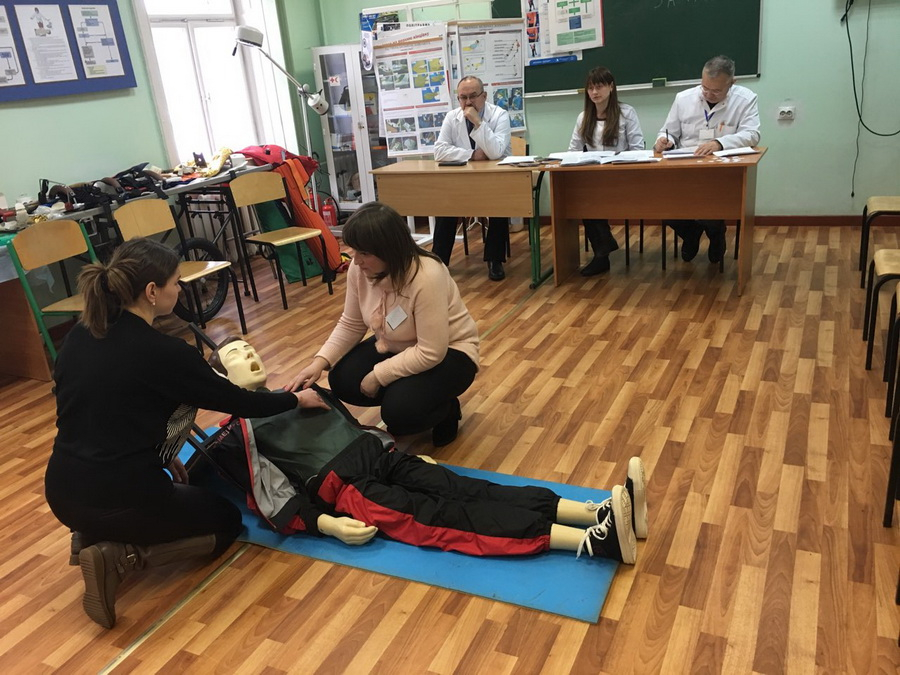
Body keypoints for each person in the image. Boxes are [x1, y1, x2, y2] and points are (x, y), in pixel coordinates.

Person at [46, 238, 327, 629]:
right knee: (226, 521)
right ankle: (122, 555)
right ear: (152, 291)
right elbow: (240, 401)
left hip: (61, 492)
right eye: (176, 282)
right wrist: (295, 399)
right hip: (121, 496)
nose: (180, 290)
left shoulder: (79, 335)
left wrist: (158, 455)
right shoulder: (165, 353)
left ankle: (90, 534)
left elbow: (100, 413)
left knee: (143, 491)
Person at [210, 336, 650, 564]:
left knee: (468, 488)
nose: (250, 355)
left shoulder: (299, 391)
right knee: (445, 517)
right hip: (350, 488)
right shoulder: (236, 434)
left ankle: (596, 511)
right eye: (236, 355)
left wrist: (390, 448)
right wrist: (326, 524)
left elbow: (350, 428)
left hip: (380, 457)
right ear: (220, 376)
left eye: (249, 347)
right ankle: (594, 543)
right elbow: (271, 498)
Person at [290, 201, 479, 448]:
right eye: (354, 251)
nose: (356, 260)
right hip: (396, 344)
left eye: (364, 253)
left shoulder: (427, 275)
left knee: (399, 414)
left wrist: (379, 375)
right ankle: (411, 395)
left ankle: (446, 409)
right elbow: (351, 323)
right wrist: (319, 362)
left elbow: (431, 351)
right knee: (342, 380)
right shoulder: (359, 269)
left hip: (449, 353)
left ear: (389, 250)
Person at [652, 55, 761, 264]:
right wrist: (664, 141)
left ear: (732, 83)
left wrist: (720, 143)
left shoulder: (745, 99)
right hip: (685, 168)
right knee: (665, 207)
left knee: (710, 209)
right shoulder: (683, 98)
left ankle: (716, 234)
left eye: (716, 91)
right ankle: (691, 234)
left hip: (720, 171)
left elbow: (752, 134)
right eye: (705, 88)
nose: (709, 94)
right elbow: (669, 131)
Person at [433, 75, 512, 281]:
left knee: (501, 205)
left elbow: (495, 152)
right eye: (463, 97)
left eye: (473, 96)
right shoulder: (452, 117)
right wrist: (472, 154)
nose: (468, 102)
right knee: (445, 204)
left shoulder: (499, 115)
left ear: (484, 96)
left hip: (495, 181)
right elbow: (439, 151)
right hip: (463, 182)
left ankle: (495, 260)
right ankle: (438, 262)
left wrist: (478, 122)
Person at [568, 66, 645, 276]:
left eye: (599, 87)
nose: (594, 92)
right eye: (590, 88)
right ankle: (602, 254)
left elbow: (638, 148)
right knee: (583, 200)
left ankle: (603, 250)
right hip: (594, 178)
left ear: (611, 87)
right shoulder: (583, 117)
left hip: (621, 177)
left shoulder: (626, 113)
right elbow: (573, 150)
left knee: (593, 198)